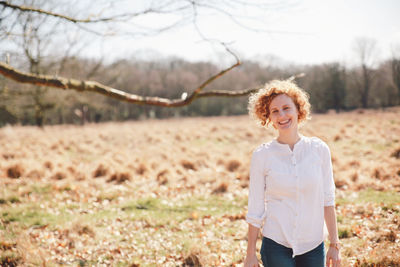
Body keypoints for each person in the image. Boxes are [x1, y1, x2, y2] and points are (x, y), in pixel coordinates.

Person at [244, 80, 341, 267]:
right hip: (276, 244)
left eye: (287, 108)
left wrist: (334, 244)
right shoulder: (262, 155)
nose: (282, 115)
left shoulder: (319, 150)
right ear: (268, 117)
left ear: (299, 110)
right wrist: (250, 254)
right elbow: (255, 209)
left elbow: (328, 200)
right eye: (275, 111)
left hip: (313, 245)